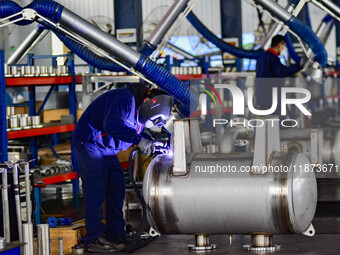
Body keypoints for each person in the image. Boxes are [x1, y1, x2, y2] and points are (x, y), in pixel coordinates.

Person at [72, 87, 173, 253]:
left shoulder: (139, 116)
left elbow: (136, 131)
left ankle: (116, 234)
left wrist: (153, 143)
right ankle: (93, 238)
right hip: (90, 143)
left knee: (117, 188)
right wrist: (138, 140)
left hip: (108, 150)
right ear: (148, 102)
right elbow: (112, 124)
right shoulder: (124, 98)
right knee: (96, 189)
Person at [255, 34, 304, 115]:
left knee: (267, 122)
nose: (283, 49)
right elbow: (282, 72)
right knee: (275, 123)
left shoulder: (262, 56)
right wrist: (299, 66)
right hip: (271, 98)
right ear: (280, 45)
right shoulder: (273, 58)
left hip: (262, 98)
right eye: (284, 46)